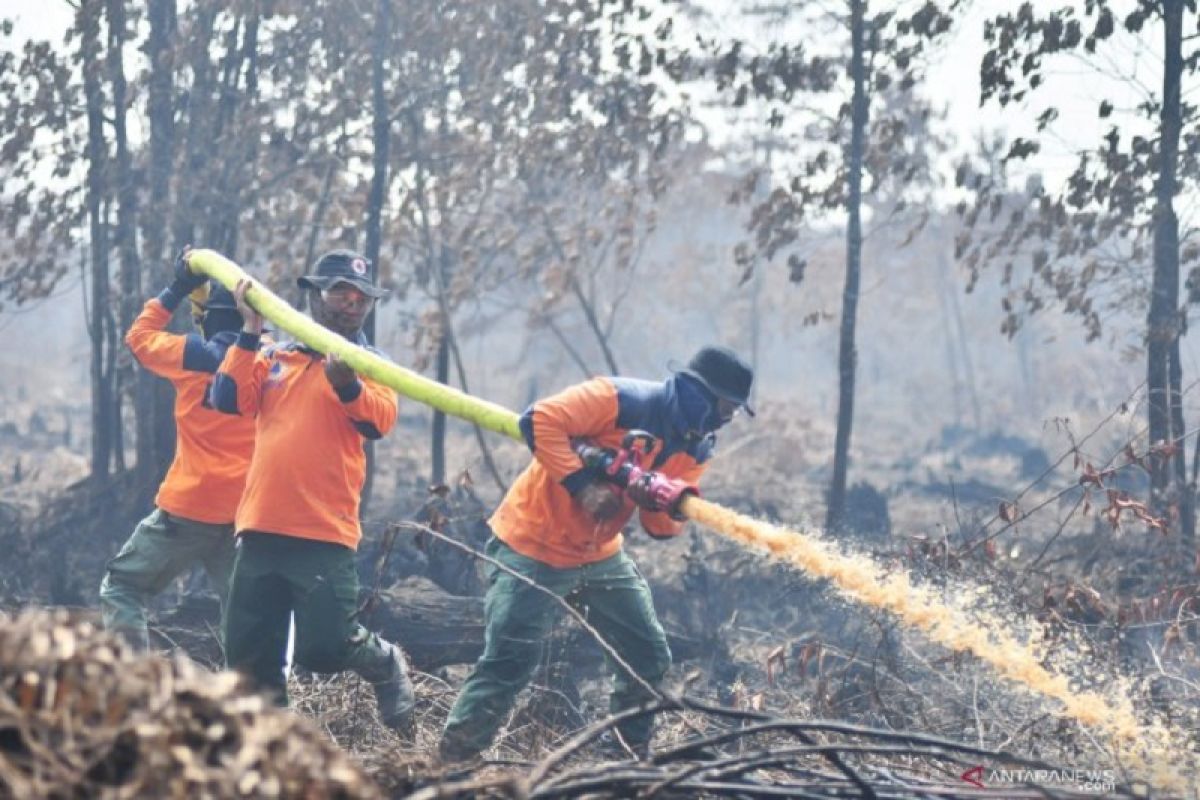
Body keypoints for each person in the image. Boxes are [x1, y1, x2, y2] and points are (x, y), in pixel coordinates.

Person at [438, 346, 754, 761]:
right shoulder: (619, 399)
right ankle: (452, 763)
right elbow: (539, 419)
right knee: (509, 661)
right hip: (533, 543)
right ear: (700, 394)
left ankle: (624, 753)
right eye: (726, 407)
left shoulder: (697, 448)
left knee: (646, 654)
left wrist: (657, 501)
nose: (726, 419)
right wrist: (582, 486)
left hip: (599, 554)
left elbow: (661, 529)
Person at [211, 249, 415, 731]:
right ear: (314, 294)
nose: (353, 302)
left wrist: (347, 385)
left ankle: (385, 663)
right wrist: (248, 331)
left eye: (362, 296)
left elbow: (378, 422)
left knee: (325, 648)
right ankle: (274, 757)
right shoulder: (273, 353)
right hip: (260, 527)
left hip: (323, 532)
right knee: (246, 663)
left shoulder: (372, 363)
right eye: (340, 291)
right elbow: (227, 398)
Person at [100, 253, 256, 650]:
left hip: (188, 508)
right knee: (245, 613)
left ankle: (134, 684)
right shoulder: (270, 361)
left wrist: (178, 288)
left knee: (123, 585)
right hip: (245, 514)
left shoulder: (191, 356)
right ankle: (249, 698)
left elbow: (138, 337)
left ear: (213, 320)